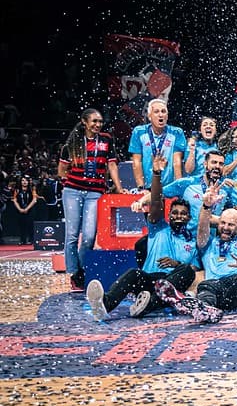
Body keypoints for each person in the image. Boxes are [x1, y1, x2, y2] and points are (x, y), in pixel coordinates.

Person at [155, 182, 237, 324]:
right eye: (223, 223)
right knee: (205, 286)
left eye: (230, 225)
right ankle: (204, 309)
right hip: (219, 288)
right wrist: (206, 206)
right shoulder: (208, 243)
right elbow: (202, 227)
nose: (225, 227)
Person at [85, 154, 199, 321]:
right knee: (133, 273)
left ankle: (149, 304)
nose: (179, 216)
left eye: (183, 214)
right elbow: (156, 202)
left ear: (189, 218)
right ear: (169, 215)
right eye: (175, 213)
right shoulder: (159, 228)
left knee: (187, 270)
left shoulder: (192, 241)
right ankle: (104, 305)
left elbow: (195, 270)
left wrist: (177, 264)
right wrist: (157, 174)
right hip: (149, 281)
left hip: (171, 285)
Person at [59, 108, 125, 291]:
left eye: (100, 121)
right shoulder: (72, 143)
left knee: (88, 236)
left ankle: (81, 269)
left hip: (95, 193)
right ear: (84, 122)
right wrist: (72, 183)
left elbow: (111, 164)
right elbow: (61, 171)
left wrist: (119, 188)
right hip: (72, 192)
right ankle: (75, 273)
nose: (97, 125)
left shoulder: (106, 140)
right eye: (94, 121)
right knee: (72, 235)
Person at [129, 99, 186, 191]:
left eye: (163, 111)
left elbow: (177, 162)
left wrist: (178, 187)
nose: (161, 115)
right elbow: (137, 162)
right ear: (149, 116)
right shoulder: (139, 132)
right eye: (156, 112)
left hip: (169, 187)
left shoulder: (177, 133)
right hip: (147, 188)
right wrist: (141, 187)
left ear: (167, 116)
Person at [12, 175, 38, 244]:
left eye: (26, 180)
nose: (24, 182)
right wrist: (20, 209)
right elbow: (14, 200)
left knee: (30, 224)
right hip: (20, 210)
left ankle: (31, 240)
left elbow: (34, 200)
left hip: (30, 210)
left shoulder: (32, 189)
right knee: (21, 225)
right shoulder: (17, 190)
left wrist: (27, 208)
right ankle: (22, 240)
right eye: (23, 180)